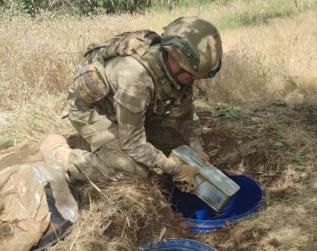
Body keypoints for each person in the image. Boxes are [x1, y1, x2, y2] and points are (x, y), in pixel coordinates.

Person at [40, 16, 222, 194]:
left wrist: (196, 147)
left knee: (179, 145)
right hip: (93, 111)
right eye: (192, 75)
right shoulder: (136, 78)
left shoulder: (179, 69)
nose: (196, 80)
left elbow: (185, 111)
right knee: (134, 169)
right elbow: (133, 143)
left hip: (126, 110)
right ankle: (63, 155)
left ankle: (100, 145)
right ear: (174, 60)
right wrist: (175, 170)